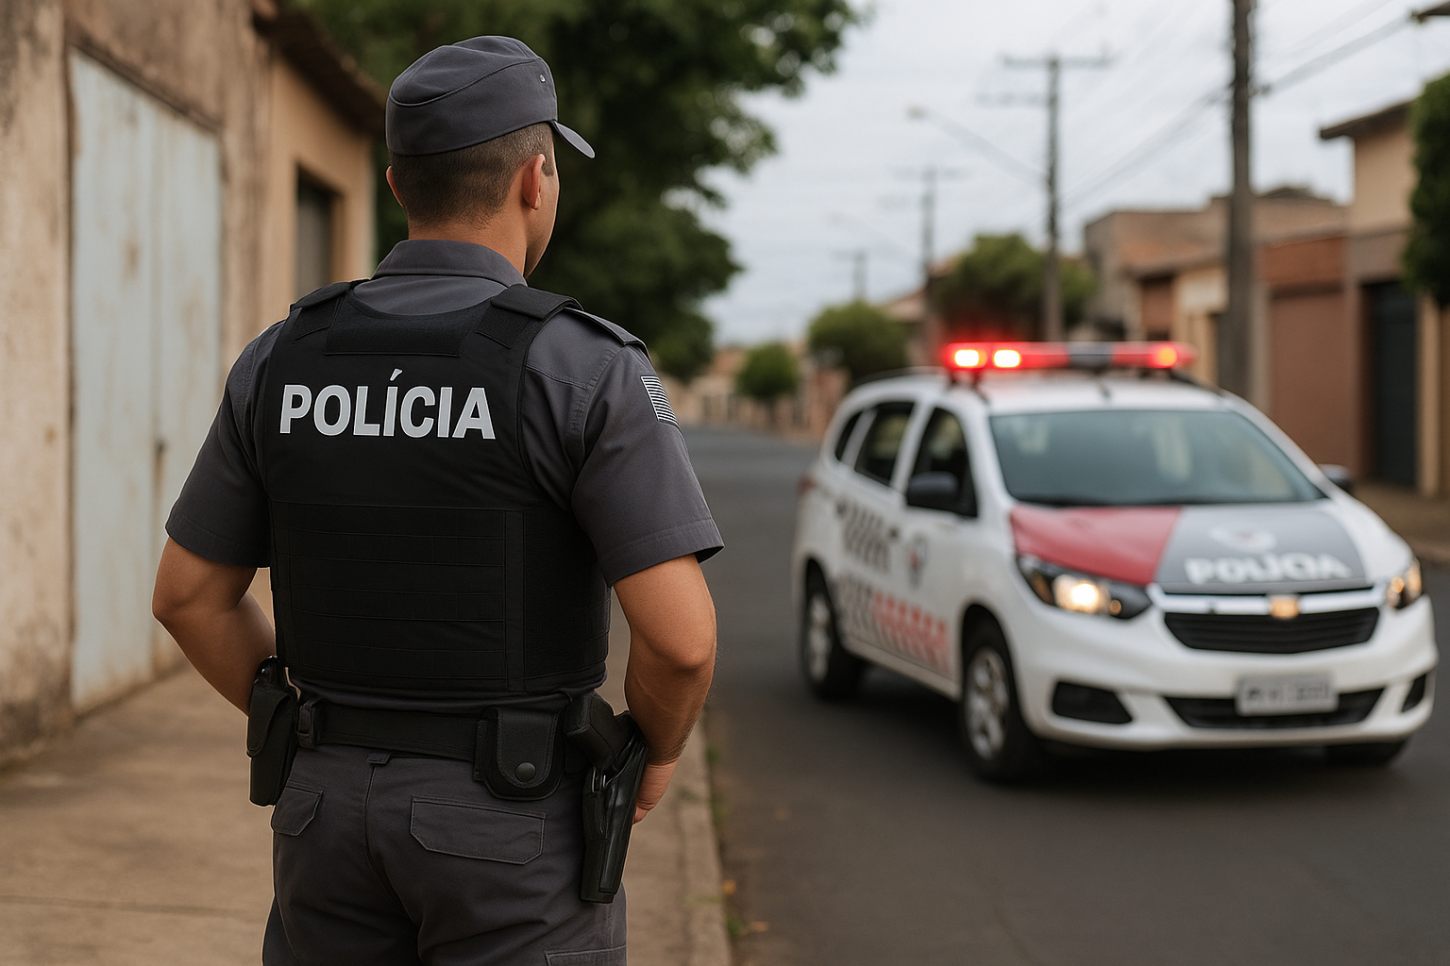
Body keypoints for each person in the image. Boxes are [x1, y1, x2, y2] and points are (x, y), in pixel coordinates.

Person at [151, 35, 720, 966]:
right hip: (512, 825)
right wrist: (644, 757)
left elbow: (186, 595)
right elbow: (682, 640)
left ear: (395, 183)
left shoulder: (284, 357)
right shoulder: (581, 367)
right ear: (535, 179)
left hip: (321, 818)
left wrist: (296, 727)